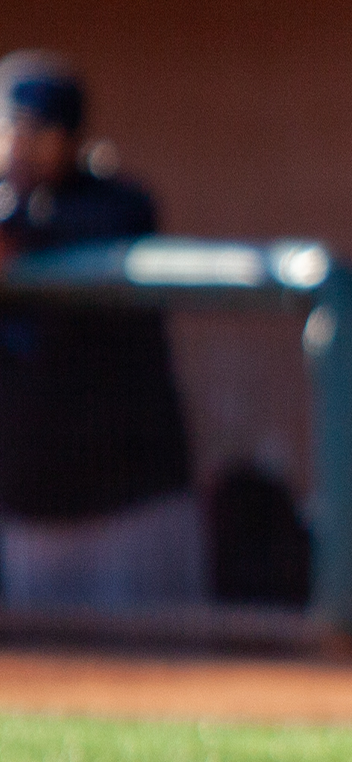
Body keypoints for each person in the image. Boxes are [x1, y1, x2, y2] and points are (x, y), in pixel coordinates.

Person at [0, 51, 202, 610]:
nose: (20, 143)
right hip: (29, 506)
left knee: (158, 669)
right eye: (10, 127)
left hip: (130, 504)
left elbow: (85, 226)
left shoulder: (118, 205)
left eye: (38, 131)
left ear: (71, 137)